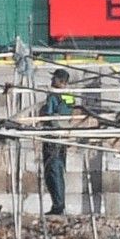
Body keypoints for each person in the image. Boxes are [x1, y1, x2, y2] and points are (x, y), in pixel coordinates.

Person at [41, 68, 75, 215]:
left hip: (52, 137)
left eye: (53, 79)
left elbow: (48, 115)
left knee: (52, 171)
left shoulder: (53, 96)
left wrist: (42, 113)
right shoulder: (69, 96)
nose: (51, 81)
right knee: (59, 170)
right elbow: (70, 112)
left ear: (61, 81)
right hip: (63, 137)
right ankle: (59, 204)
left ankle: (58, 205)